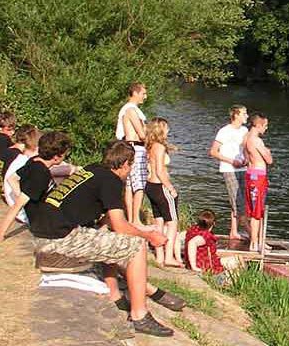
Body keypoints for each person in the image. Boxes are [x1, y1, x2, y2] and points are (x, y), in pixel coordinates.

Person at [30, 141, 182, 336]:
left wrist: (130, 227)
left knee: (110, 235)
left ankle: (115, 294)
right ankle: (140, 316)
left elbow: (110, 221)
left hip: (42, 234)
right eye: (132, 165)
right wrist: (149, 235)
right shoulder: (111, 180)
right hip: (57, 241)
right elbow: (119, 224)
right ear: (126, 163)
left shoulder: (92, 169)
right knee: (136, 246)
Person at [0, 131, 69, 245]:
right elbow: (17, 206)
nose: (65, 157)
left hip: (48, 211)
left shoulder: (34, 160)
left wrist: (24, 195)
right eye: (65, 154)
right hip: (46, 223)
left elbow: (12, 178)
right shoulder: (41, 174)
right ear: (56, 157)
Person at [144, 117, 182, 267]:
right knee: (172, 223)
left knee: (159, 221)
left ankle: (159, 256)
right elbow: (160, 171)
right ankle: (168, 257)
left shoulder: (151, 145)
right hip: (160, 186)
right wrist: (171, 188)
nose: (168, 130)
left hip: (150, 186)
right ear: (160, 129)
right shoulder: (159, 147)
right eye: (166, 128)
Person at [208, 104, 248, 240]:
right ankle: (250, 231)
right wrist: (231, 161)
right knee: (237, 201)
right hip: (230, 169)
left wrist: (247, 160)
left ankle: (234, 231)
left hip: (243, 168)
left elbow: (247, 150)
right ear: (236, 115)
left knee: (238, 200)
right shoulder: (224, 131)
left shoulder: (245, 130)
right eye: (244, 113)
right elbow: (213, 151)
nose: (246, 116)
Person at [116, 82, 148, 225]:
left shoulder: (127, 109)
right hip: (137, 149)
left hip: (128, 147)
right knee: (139, 185)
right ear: (135, 93)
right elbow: (141, 134)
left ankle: (130, 218)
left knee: (129, 185)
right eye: (143, 93)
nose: (145, 97)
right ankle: (135, 219)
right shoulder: (131, 110)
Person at [243, 113, 272, 252]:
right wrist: (268, 151)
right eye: (265, 126)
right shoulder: (256, 140)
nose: (266, 129)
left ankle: (259, 241)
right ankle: (254, 243)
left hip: (250, 175)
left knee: (254, 210)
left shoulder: (245, 138)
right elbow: (269, 160)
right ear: (258, 125)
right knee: (257, 212)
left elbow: (246, 158)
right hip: (258, 177)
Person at [0, 125, 40, 220]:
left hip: (14, 204)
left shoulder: (21, 158)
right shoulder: (25, 162)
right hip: (22, 212)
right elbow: (11, 180)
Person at [184, 209, 225, 274]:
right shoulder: (205, 235)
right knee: (237, 260)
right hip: (204, 266)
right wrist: (193, 266)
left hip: (200, 262)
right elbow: (192, 243)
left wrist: (179, 259)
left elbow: (178, 237)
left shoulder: (192, 230)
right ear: (214, 223)